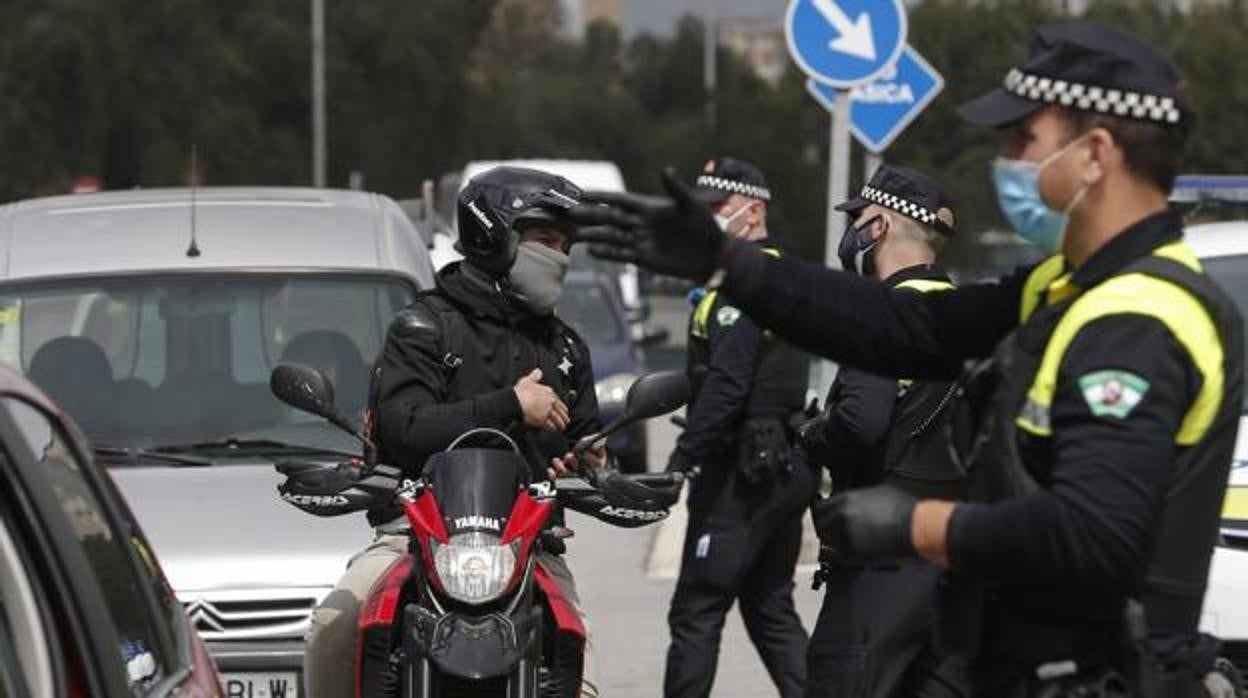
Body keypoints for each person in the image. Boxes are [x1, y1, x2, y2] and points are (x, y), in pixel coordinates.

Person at [572, 22, 1244, 697]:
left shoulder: (1139, 318)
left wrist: (916, 524)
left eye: (1023, 139)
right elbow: (905, 327)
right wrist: (729, 265)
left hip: (1101, 677)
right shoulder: (1070, 284)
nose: (1006, 158)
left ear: (1096, 152)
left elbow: (1093, 535)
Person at [303, 166, 608, 698]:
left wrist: (586, 463)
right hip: (414, 537)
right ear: (493, 235)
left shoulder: (565, 348)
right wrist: (510, 404)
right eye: (544, 240)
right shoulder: (424, 327)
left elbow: (583, 440)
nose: (558, 256)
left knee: (576, 641)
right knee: (332, 627)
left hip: (527, 545)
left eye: (564, 244)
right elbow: (403, 426)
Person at [796, 165, 968, 698]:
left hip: (880, 568)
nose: (852, 234)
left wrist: (811, 435)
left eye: (859, 219)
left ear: (880, 227)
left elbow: (861, 421)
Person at [664, 157, 815, 698]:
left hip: (741, 476)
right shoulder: (780, 276)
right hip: (780, 467)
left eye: (716, 209)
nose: (706, 220)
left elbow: (727, 385)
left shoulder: (743, 289)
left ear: (753, 212)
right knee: (770, 608)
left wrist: (682, 458)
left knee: (696, 611)